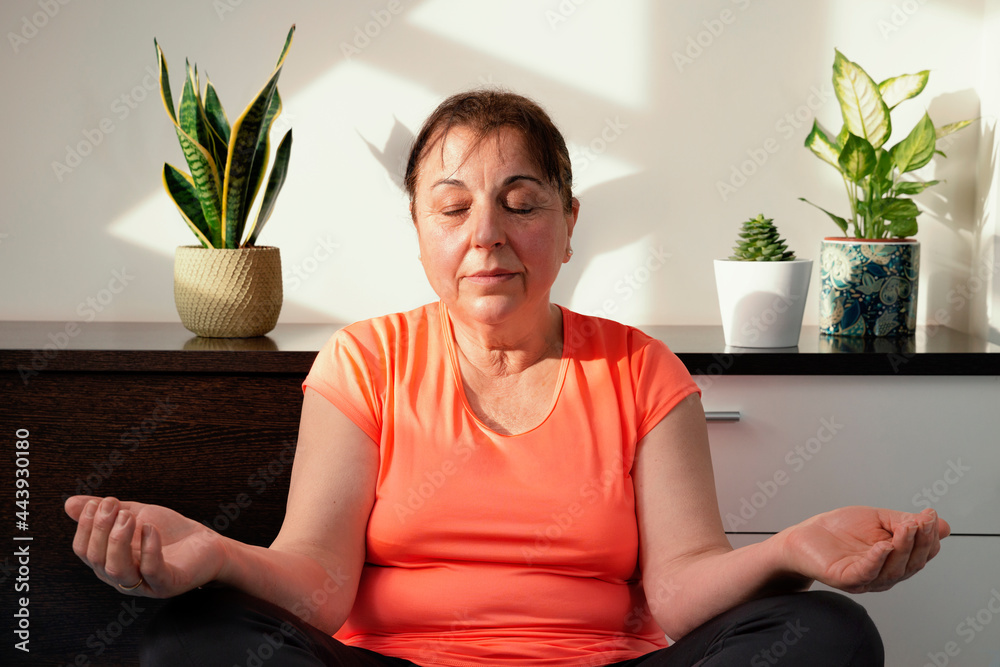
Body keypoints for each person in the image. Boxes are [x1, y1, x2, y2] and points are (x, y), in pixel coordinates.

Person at [65, 89, 947, 667]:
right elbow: (320, 586)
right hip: (395, 663)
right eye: (453, 207)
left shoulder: (643, 370)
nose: (486, 233)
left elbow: (681, 594)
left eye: (521, 203)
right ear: (420, 235)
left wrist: (795, 548)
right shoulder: (366, 359)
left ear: (568, 223)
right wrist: (213, 554)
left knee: (828, 632)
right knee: (188, 640)